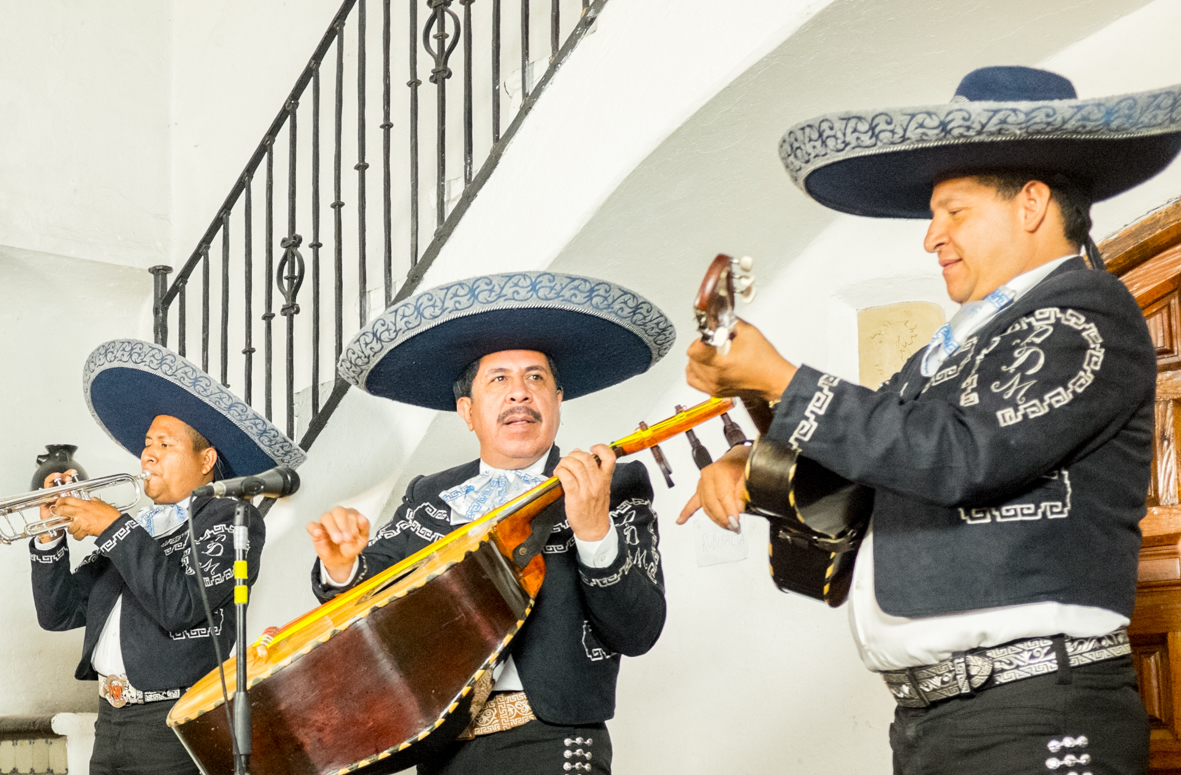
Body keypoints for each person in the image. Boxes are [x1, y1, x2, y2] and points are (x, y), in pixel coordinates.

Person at [682, 66, 1181, 774]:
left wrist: (780, 379)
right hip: (940, 723)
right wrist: (756, 453)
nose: (931, 237)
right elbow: (876, 456)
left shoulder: (1082, 314)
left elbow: (963, 455)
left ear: (1031, 204)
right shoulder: (949, 352)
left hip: (1031, 714)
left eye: (954, 212)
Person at [310, 271, 675, 774]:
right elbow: (371, 589)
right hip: (444, 751)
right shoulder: (429, 495)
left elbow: (639, 631)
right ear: (468, 411)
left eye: (536, 378)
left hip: (552, 743)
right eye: (498, 379)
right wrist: (342, 567)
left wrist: (594, 532)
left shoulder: (612, 485)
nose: (519, 393)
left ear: (557, 403)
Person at [30, 339, 306, 775]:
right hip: (110, 719)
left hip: (175, 723)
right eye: (146, 443)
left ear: (206, 460)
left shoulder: (231, 519)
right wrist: (48, 539)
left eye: (165, 444)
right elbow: (58, 613)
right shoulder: (138, 526)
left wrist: (113, 528)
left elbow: (180, 606)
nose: (147, 454)